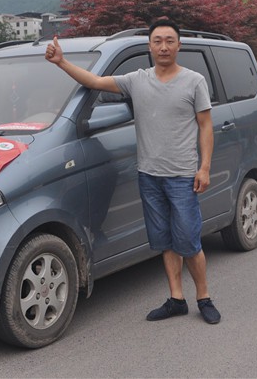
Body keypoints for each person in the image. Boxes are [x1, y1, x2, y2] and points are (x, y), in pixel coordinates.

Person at [45, 18, 221, 324]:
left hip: (182, 176)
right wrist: (61, 62)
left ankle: (203, 298)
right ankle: (176, 299)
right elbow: (94, 82)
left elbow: (206, 126)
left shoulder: (194, 81)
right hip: (149, 175)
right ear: (149, 46)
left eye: (169, 41)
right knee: (165, 241)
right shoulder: (136, 80)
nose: (163, 47)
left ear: (179, 45)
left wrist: (204, 168)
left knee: (189, 241)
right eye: (157, 41)